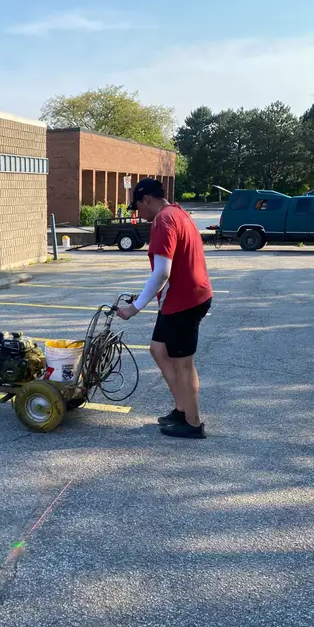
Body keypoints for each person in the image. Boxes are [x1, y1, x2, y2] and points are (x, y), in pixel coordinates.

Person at [117, 178, 212, 439]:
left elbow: (162, 272)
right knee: (158, 349)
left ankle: (193, 424)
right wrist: (147, 295)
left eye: (137, 207)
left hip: (185, 301)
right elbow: (170, 270)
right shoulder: (178, 213)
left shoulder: (163, 220)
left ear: (147, 199)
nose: (138, 213)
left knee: (183, 364)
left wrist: (135, 308)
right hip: (182, 298)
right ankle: (182, 409)